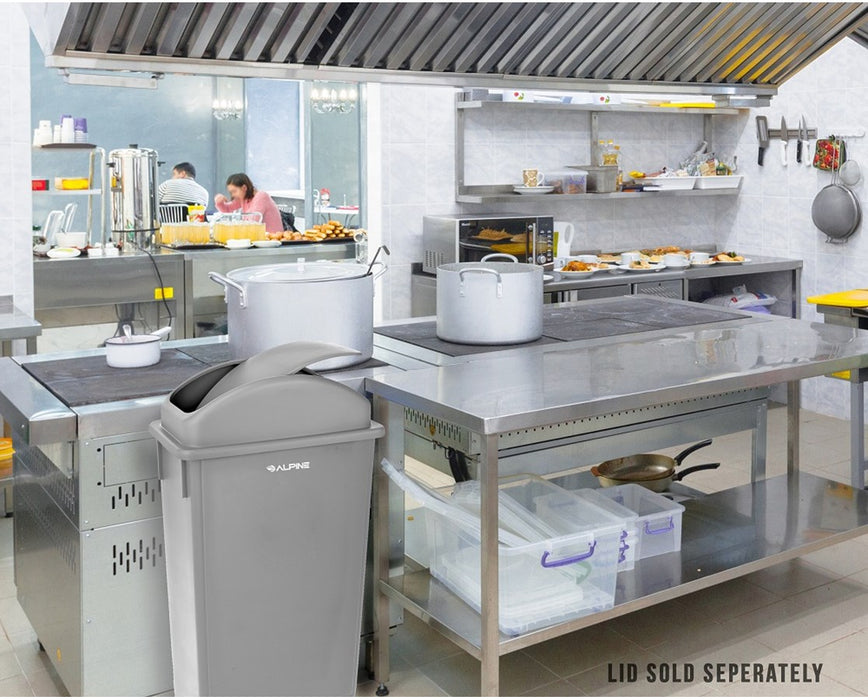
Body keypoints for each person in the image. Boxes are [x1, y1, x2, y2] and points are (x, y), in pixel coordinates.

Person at [214, 173, 283, 232]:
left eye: (234, 191)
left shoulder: (261, 196)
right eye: (231, 192)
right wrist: (219, 202)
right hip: (257, 237)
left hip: (271, 238)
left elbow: (253, 222)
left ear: (244, 188)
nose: (233, 195)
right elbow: (227, 209)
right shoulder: (244, 198)